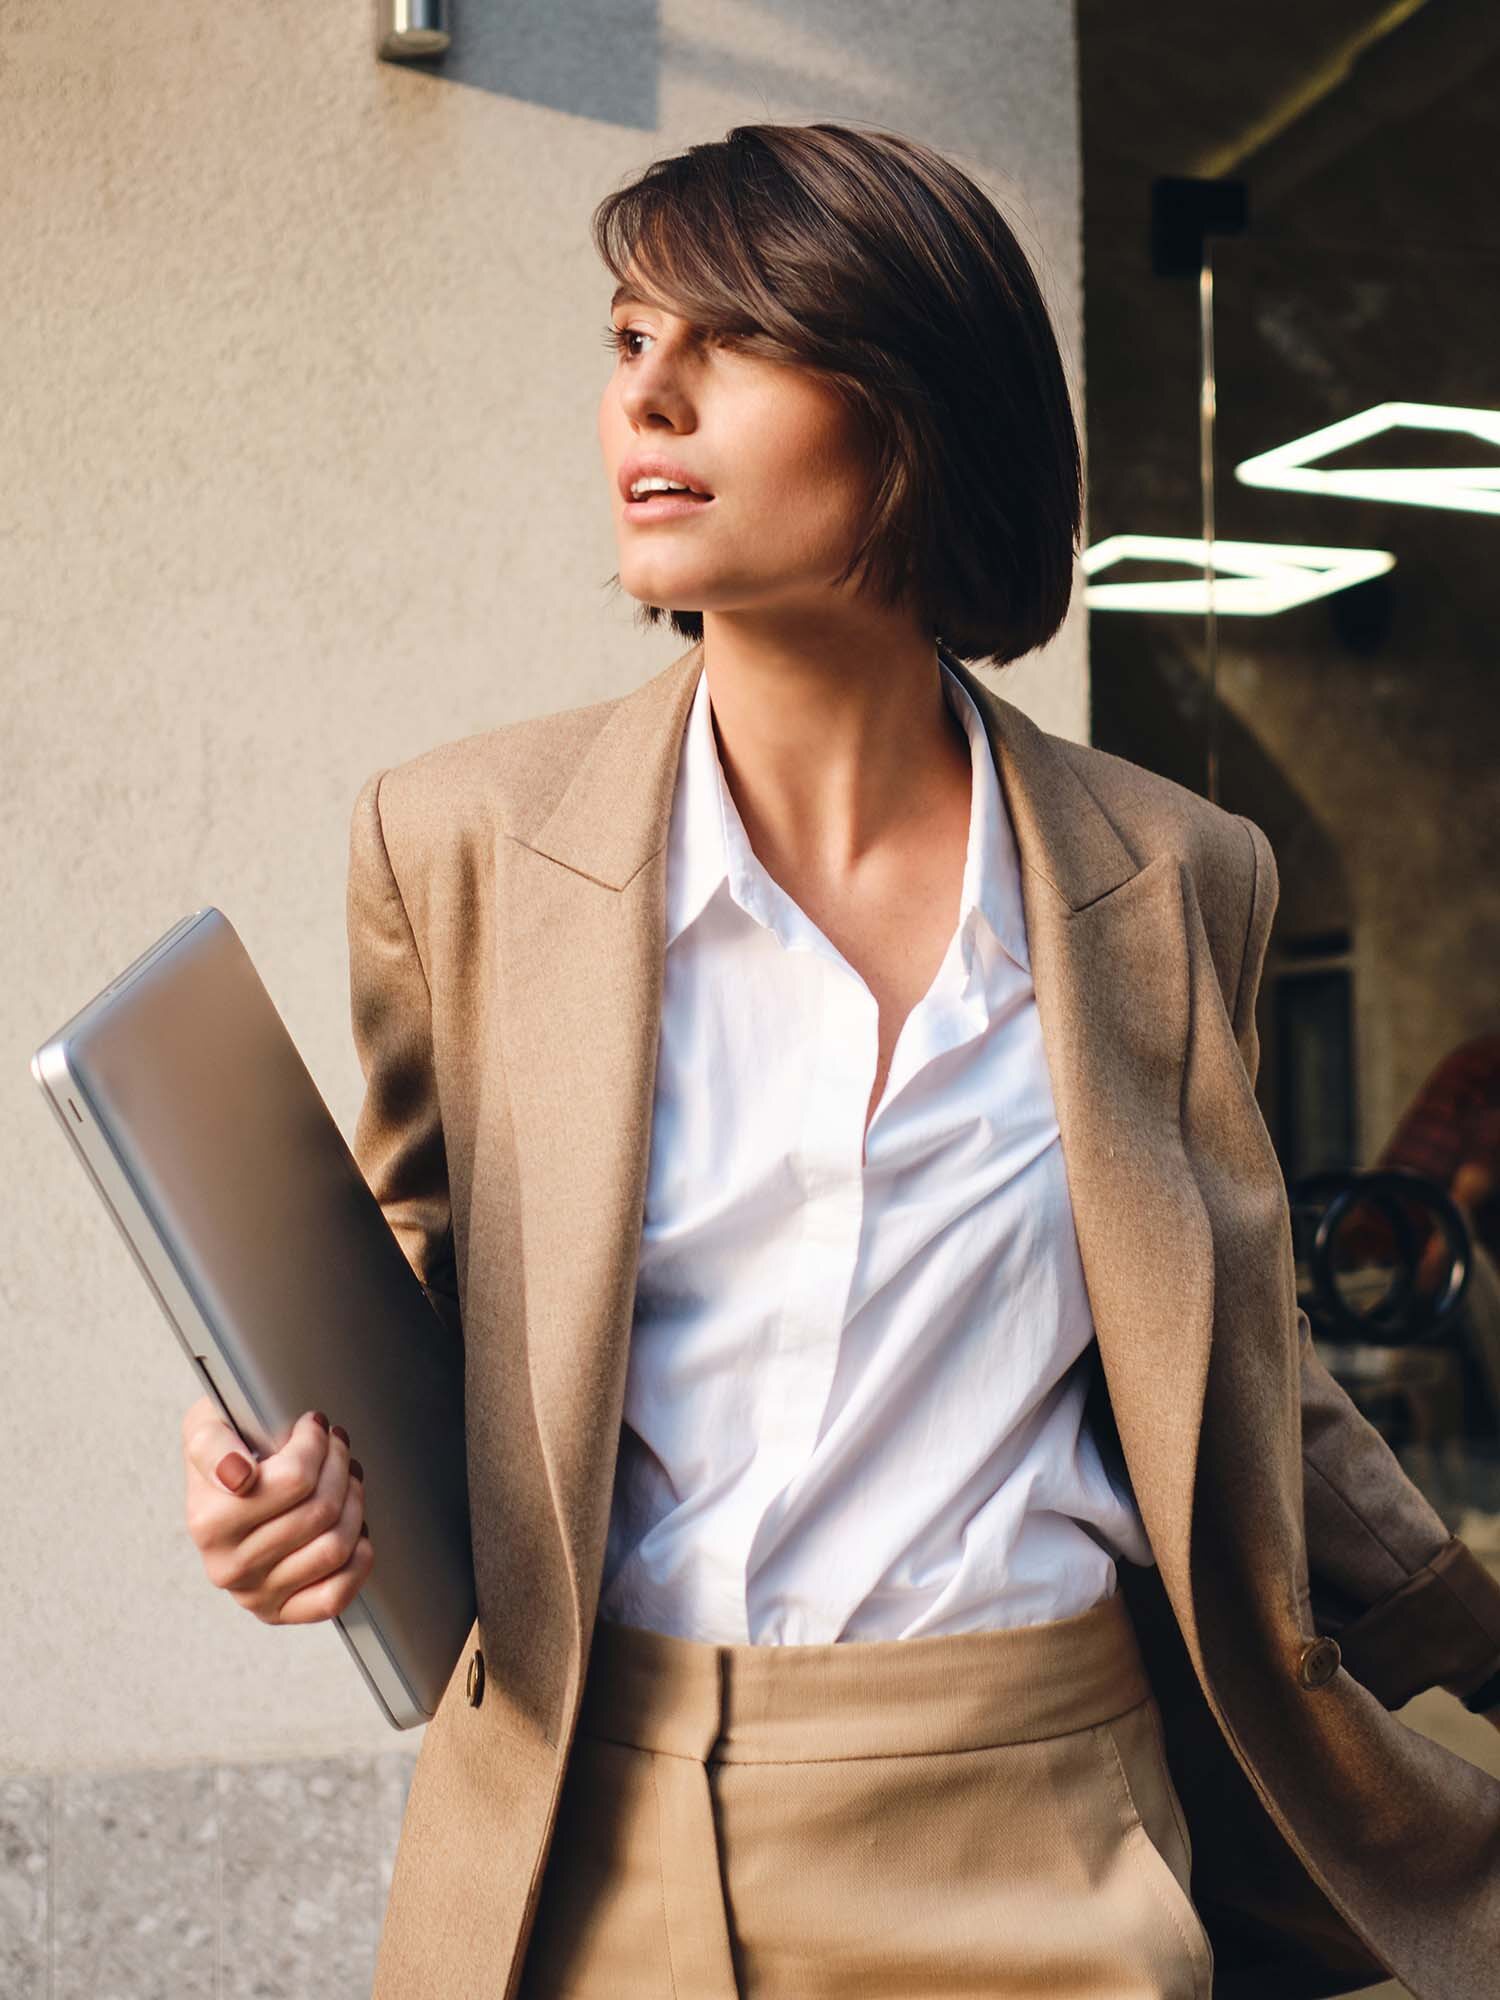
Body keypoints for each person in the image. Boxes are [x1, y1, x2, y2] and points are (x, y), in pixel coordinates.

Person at [180, 121, 1500, 2000]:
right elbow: (408, 1314)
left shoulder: (1180, 879)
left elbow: (1232, 1358)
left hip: (1048, 1831)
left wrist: (1466, 1634)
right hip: (589, 1831)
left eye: (730, 336)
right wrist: (281, 1493)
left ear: (912, 414)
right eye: (629, 338)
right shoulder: (460, 842)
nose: (651, 391)